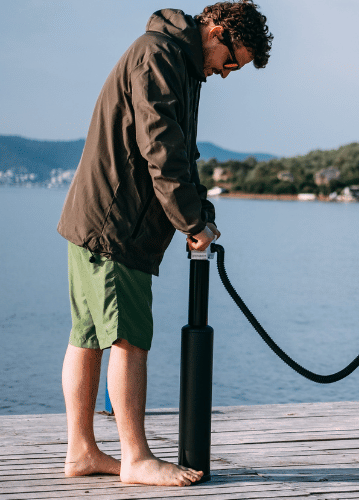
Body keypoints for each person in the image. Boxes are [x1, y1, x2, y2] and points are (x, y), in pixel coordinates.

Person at [57, 1, 272, 487]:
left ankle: (82, 451)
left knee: (88, 336)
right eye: (231, 60)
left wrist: (201, 214)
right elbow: (161, 150)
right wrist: (191, 221)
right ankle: (135, 458)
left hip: (96, 220)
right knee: (129, 339)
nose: (226, 72)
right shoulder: (158, 56)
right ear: (217, 29)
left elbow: (182, 151)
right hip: (117, 224)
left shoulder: (176, 62)